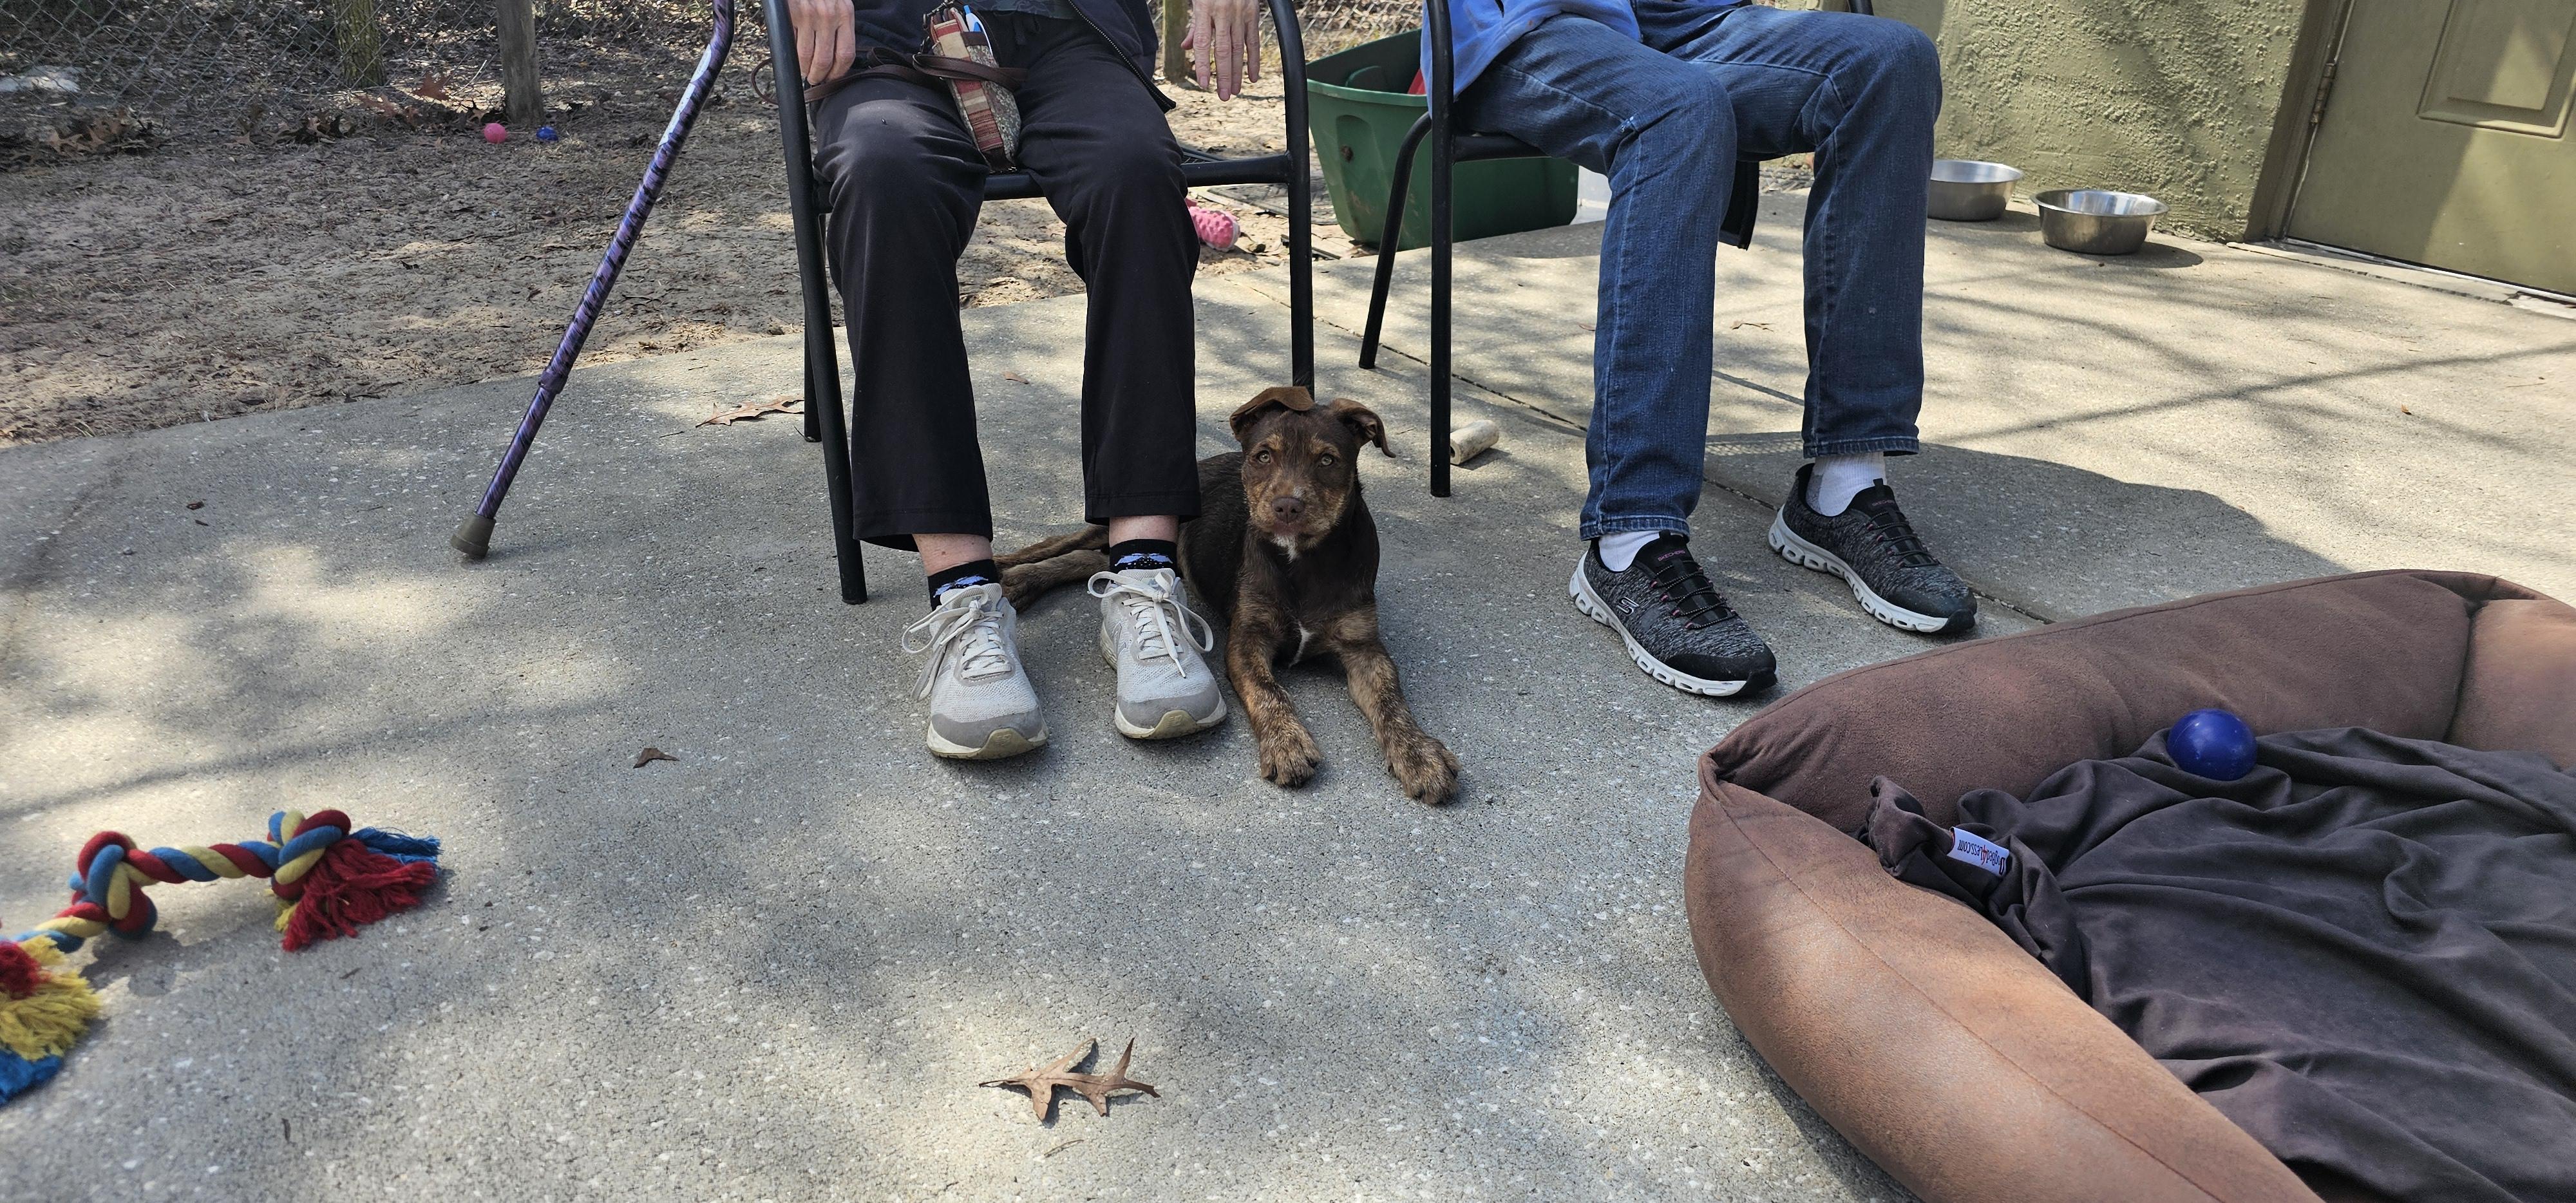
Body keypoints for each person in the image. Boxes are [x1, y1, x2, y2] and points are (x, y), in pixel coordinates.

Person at [1439, 0, 1976, 697]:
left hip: (1683, 15)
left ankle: (1841, 484)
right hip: (1520, 22)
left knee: (1891, 61)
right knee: (1678, 108)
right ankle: (1629, 536)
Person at [785, 0, 1266, 758]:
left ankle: (1143, 573)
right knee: (886, 176)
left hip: (1069, 26)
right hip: (885, 37)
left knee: (1136, 175)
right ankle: (964, 595)